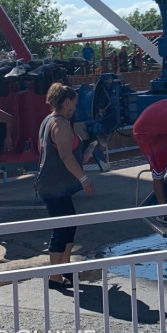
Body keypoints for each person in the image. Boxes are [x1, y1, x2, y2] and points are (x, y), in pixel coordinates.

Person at [36, 83, 95, 288]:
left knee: (69, 224)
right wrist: (83, 178)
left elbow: (52, 153)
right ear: (67, 101)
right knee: (61, 228)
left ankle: (65, 268)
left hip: (53, 184)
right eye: (74, 104)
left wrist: (83, 157)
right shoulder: (60, 124)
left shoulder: (47, 121)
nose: (74, 109)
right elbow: (64, 155)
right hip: (54, 186)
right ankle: (54, 275)